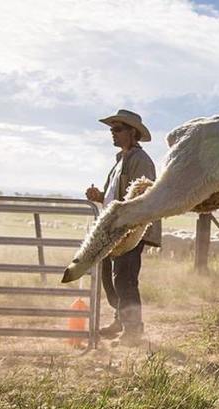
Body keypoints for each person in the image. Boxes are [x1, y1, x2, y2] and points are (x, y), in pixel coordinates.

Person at [85, 109, 161, 346]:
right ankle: (120, 320)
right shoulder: (121, 161)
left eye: (117, 129)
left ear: (132, 133)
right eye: (112, 129)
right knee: (110, 278)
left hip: (131, 230)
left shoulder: (141, 161)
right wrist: (100, 197)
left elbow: (143, 194)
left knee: (125, 279)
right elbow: (114, 197)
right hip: (114, 229)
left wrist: (131, 227)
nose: (113, 134)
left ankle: (133, 329)